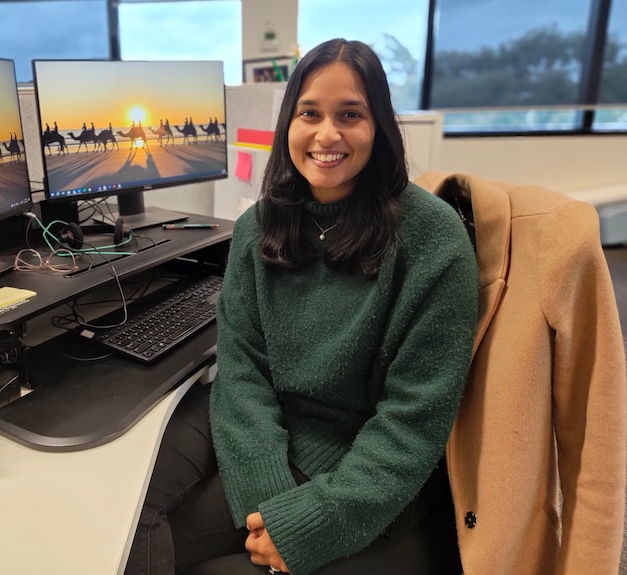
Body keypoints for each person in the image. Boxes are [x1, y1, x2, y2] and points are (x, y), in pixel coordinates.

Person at [124, 38, 479, 575]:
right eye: (309, 113)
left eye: (351, 115)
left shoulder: (433, 240)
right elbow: (242, 371)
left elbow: (415, 419)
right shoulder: (258, 227)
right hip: (274, 441)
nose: (326, 134)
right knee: (129, 523)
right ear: (288, 122)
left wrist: (316, 522)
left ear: (379, 126)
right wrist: (270, 499)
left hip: (358, 468)